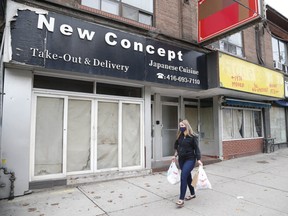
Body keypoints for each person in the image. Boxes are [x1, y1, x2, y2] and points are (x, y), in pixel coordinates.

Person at [172, 119, 203, 207]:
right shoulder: (179, 135)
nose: (180, 127)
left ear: (186, 126)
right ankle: (193, 194)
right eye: (180, 126)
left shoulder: (193, 136)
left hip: (190, 159)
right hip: (181, 159)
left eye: (182, 125)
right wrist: (175, 155)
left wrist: (199, 159)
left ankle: (181, 199)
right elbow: (177, 146)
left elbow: (196, 149)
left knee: (183, 176)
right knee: (188, 177)